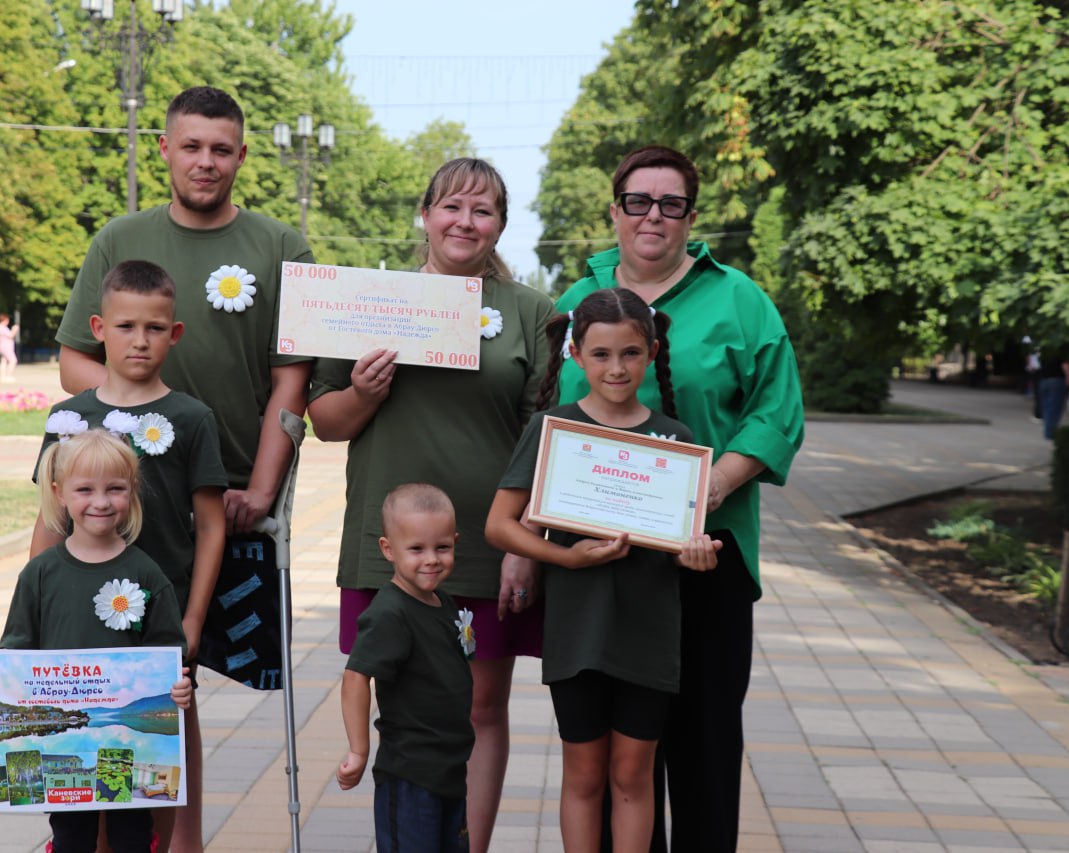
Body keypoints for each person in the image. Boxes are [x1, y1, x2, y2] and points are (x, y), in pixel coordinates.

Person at [554, 145, 804, 851]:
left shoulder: (739, 299)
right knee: (611, 761)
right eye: (639, 201)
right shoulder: (577, 301)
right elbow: (540, 417)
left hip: (707, 555)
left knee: (702, 744)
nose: (653, 215)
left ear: (692, 216)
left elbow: (776, 411)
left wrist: (710, 486)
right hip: (602, 564)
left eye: (671, 203)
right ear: (615, 209)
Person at [309, 158, 555, 851]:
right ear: (425, 214)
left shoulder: (530, 311)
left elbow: (546, 437)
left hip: (484, 543)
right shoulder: (370, 300)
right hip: (387, 544)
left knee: (477, 707)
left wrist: (523, 543)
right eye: (451, 207)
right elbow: (325, 420)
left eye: (482, 211)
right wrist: (363, 390)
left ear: (501, 225)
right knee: (401, 708)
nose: (464, 222)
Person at [55, 86, 312, 696]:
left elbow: (292, 378)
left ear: (242, 156)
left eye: (221, 150)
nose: (206, 161)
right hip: (127, 495)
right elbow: (72, 364)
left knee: (180, 680)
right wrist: (150, 411)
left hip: (229, 504)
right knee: (124, 682)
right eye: (191, 146)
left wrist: (260, 490)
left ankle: (176, 798)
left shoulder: (282, 247)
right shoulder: (117, 240)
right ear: (164, 149)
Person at [485, 288, 721, 850]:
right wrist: (565, 556)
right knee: (586, 776)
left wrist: (699, 556)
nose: (617, 368)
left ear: (652, 352)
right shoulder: (552, 431)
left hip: (648, 634)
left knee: (633, 777)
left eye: (631, 354)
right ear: (575, 354)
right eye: (601, 354)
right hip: (578, 633)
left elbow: (685, 542)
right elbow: (500, 525)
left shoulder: (677, 442)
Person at [33, 260, 227, 851]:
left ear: (176, 333)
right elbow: (47, 518)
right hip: (76, 626)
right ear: (98, 327)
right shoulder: (69, 420)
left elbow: (212, 527)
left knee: (151, 755)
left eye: (154, 327)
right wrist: (32, 607)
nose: (139, 340)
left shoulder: (193, 419)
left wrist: (192, 619)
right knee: (81, 748)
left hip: (155, 626)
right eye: (125, 326)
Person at [0, 429, 192, 853]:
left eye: (115, 488)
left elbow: (169, 656)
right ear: (59, 493)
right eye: (85, 489)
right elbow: (16, 657)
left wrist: (180, 687)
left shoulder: (148, 574)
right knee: (71, 835)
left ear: (131, 491)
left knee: (131, 833)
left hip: (125, 746)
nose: (100, 501)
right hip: (58, 745)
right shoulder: (40, 575)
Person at [337, 483, 475, 852]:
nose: (431, 559)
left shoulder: (443, 603)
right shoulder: (390, 613)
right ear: (389, 550)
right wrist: (358, 750)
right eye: (416, 549)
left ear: (455, 542)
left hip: (448, 769)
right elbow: (355, 676)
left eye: (442, 547)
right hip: (410, 775)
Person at [1036, 343, 1069, 440]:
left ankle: (1048, 430)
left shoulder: (1043, 347)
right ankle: (1050, 432)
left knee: (1047, 407)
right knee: (1054, 407)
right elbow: (1064, 364)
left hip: (1043, 380)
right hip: (1056, 380)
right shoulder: (1061, 347)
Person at [0, 313, 18, 381]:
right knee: (13, 360)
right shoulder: (2, 327)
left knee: (3, 361)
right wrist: (14, 329)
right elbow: (11, 335)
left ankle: (2, 376)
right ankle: (8, 376)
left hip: (2, 346)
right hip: (5, 347)